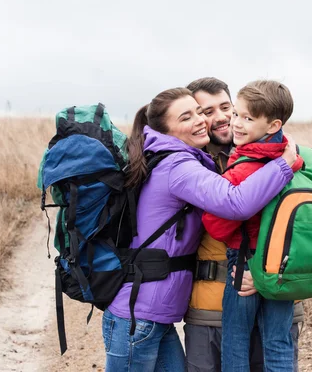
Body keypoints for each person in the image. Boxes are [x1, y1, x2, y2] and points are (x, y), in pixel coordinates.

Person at [102, 87, 298, 372]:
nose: (199, 120)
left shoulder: (171, 157)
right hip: (138, 316)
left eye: (197, 112)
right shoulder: (178, 166)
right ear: (166, 130)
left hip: (152, 316)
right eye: (186, 117)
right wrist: (283, 164)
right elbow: (236, 202)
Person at [202, 80, 312, 372]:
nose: (236, 123)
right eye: (237, 114)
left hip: (245, 264)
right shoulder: (303, 156)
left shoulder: (244, 168)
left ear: (273, 125)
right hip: (284, 264)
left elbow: (216, 226)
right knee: (278, 344)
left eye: (248, 118)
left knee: (236, 341)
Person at [184, 77, 305, 372]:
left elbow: (306, 224)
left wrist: (266, 275)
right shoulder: (187, 163)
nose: (226, 118)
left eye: (228, 108)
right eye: (206, 111)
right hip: (213, 308)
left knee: (253, 350)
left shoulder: (262, 158)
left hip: (260, 278)